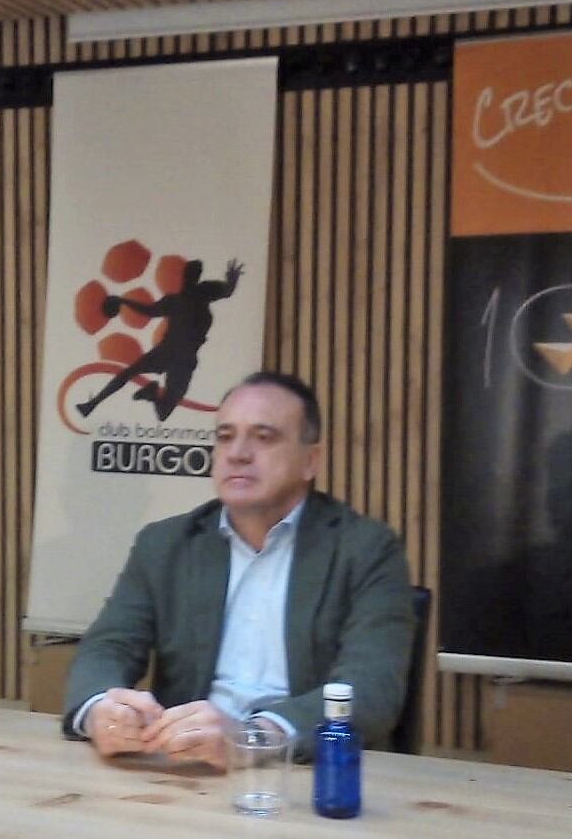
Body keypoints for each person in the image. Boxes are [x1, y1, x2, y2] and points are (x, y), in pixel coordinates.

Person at [62, 371, 415, 767]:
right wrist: (100, 710)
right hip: (185, 773)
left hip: (306, 774)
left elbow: (370, 689)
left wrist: (254, 738)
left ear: (310, 460)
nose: (238, 453)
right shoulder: (165, 545)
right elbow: (107, 646)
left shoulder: (365, 549)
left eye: (263, 437)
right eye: (226, 436)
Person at [76, 258, 243, 421]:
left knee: (163, 414)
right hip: (166, 351)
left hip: (185, 359)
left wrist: (232, 279)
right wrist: (124, 301)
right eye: (188, 274)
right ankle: (92, 404)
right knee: (128, 373)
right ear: (184, 277)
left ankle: (152, 394)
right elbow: (149, 311)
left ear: (197, 278)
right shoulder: (174, 301)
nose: (190, 278)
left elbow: (227, 290)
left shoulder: (203, 293)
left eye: (194, 274)